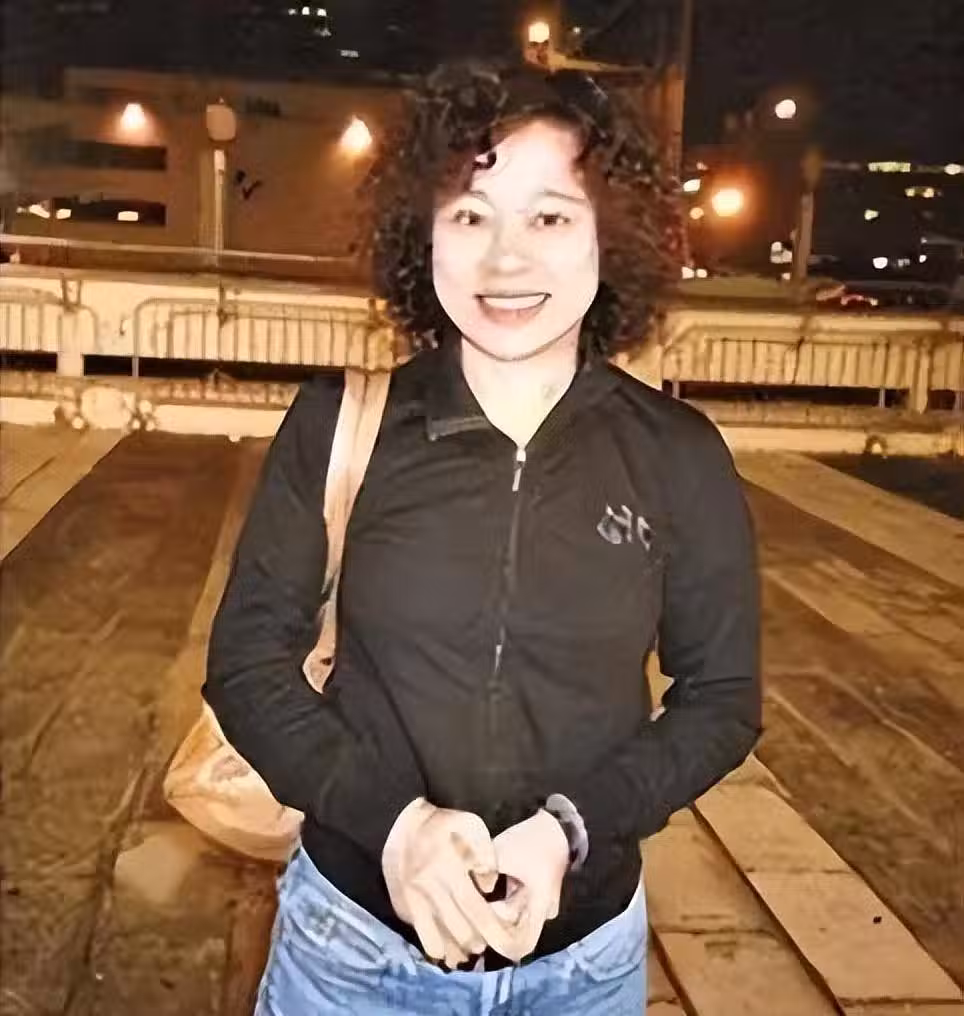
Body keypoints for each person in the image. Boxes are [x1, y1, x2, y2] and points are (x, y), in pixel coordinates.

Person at [203, 61, 761, 1015]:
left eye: (550, 217)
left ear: (609, 235)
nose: (506, 262)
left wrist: (570, 831)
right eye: (470, 215)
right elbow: (248, 665)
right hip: (351, 953)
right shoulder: (343, 423)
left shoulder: (678, 454)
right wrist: (396, 829)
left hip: (582, 968)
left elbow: (721, 701)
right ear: (423, 234)